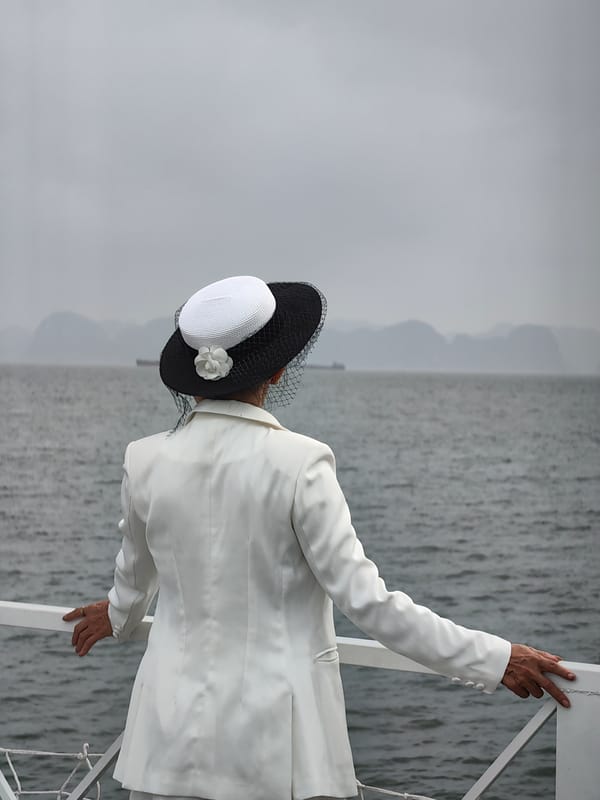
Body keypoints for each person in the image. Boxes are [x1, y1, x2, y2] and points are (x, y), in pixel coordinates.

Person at [64, 276, 575, 800]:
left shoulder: (144, 459)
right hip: (273, 756)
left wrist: (118, 616)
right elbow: (368, 602)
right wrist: (494, 659)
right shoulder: (300, 462)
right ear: (279, 369)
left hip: (163, 746)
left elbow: (133, 576)